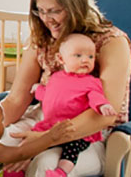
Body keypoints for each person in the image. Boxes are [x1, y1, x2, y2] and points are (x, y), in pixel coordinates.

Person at [0, 0, 131, 176]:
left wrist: (44, 140)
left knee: (44, 165)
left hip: (89, 134)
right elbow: (16, 100)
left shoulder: (112, 42)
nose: (46, 19)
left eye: (54, 11)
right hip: (46, 118)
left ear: (75, 6)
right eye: (40, 11)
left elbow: (105, 115)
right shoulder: (43, 37)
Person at [29, 33, 117, 177]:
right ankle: (17, 170)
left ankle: (61, 172)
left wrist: (103, 106)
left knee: (71, 149)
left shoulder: (91, 81)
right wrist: (37, 88)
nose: (85, 60)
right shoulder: (55, 78)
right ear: (61, 59)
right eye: (78, 56)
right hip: (50, 127)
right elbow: (47, 96)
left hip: (77, 132)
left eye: (90, 57)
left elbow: (96, 96)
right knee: (30, 145)